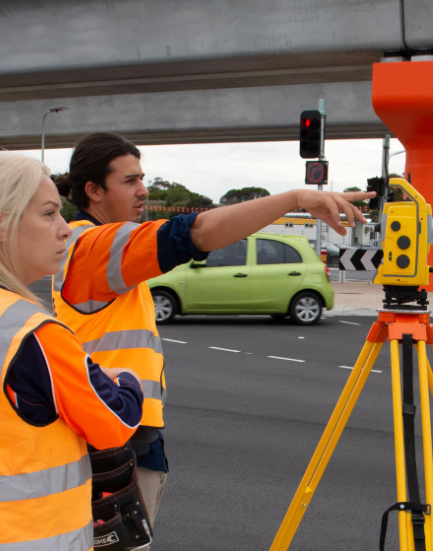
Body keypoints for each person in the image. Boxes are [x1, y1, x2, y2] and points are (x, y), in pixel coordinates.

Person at [52, 132, 373, 529]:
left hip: (120, 435)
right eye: (130, 180)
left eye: (141, 177)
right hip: (112, 443)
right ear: (93, 190)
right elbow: (194, 233)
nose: (142, 189)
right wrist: (294, 199)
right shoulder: (94, 246)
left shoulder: (94, 246)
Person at [0, 151, 145, 551]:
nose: (65, 230)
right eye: (49, 213)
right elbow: (114, 422)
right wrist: (125, 380)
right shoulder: (31, 333)